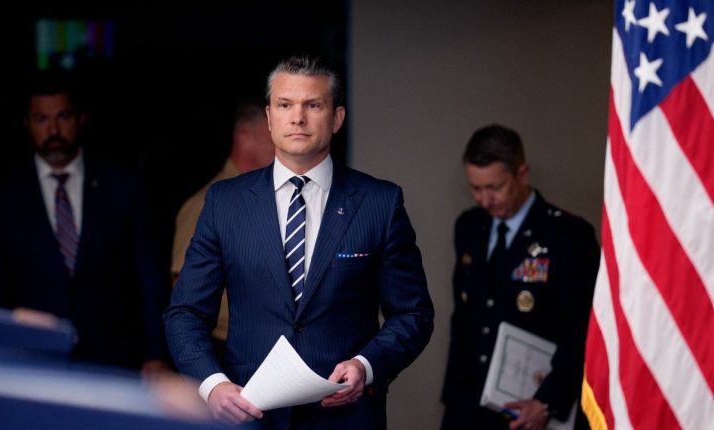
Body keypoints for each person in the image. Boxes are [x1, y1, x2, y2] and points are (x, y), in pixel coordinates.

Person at [164, 55, 434, 429]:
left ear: (336, 118)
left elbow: (413, 314)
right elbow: (185, 313)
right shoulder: (224, 203)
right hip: (248, 413)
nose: (298, 118)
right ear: (269, 117)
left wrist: (367, 366)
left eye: (313, 105)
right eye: (285, 105)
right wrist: (213, 386)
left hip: (346, 416)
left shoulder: (380, 203)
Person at [0, 72, 169, 373]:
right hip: (29, 362)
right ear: (27, 124)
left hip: (114, 361)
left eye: (63, 117)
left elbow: (150, 278)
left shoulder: (123, 186)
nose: (53, 130)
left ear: (80, 119)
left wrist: (155, 355)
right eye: (41, 119)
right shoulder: (0, 197)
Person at [441, 125, 599, 430]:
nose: (484, 200)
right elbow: (465, 318)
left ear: (522, 174)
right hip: (468, 404)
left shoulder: (568, 235)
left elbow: (581, 330)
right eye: (476, 188)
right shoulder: (469, 226)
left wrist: (549, 401)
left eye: (495, 187)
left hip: (531, 409)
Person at [170, 97, 273, 347]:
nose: (286, 145)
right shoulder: (207, 204)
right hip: (224, 349)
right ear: (246, 136)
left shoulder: (273, 197)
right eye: (273, 135)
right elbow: (184, 294)